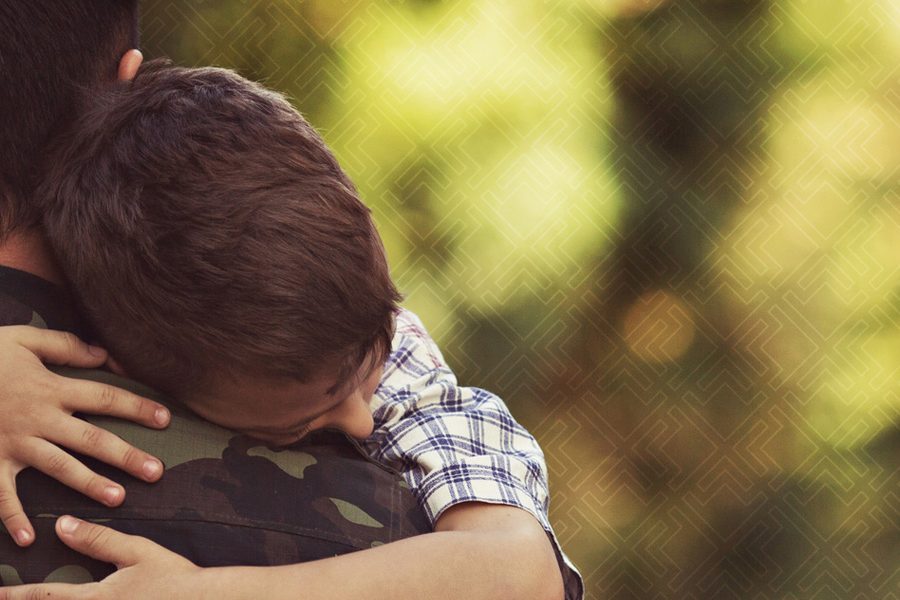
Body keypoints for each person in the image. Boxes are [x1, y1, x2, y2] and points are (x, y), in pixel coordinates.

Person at [0, 5, 583, 600]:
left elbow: (520, 574)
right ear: (131, 365)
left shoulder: (402, 369)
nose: (362, 419)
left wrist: (206, 593)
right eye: (300, 421)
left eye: (372, 348)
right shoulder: (155, 314)